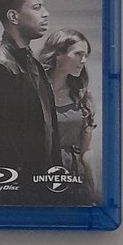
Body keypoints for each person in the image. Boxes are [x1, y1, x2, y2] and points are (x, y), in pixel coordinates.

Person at [0, 0, 61, 184]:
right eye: (37, 7)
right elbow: (2, 141)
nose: (45, 14)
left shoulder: (32, 62)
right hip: (20, 185)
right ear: (13, 16)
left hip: (41, 181)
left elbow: (48, 128)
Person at [40, 28, 97, 203]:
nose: (83, 61)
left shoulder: (82, 96)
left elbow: (86, 150)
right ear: (58, 54)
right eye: (78, 54)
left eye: (86, 55)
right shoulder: (34, 91)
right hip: (39, 175)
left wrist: (92, 187)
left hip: (74, 177)